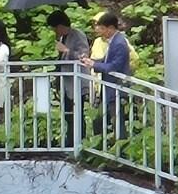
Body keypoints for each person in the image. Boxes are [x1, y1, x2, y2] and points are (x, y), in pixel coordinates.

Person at [82, 11, 132, 137]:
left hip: (117, 88)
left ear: (110, 28)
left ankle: (121, 151)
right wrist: (92, 62)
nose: (99, 31)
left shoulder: (119, 43)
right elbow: (106, 61)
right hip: (109, 88)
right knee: (102, 120)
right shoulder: (113, 41)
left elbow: (114, 66)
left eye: (102, 28)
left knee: (117, 123)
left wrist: (94, 65)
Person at [46, 11, 89, 147]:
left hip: (76, 83)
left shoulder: (77, 35)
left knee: (77, 114)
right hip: (65, 83)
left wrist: (66, 51)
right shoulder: (62, 38)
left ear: (60, 26)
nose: (54, 31)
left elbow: (83, 56)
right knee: (68, 114)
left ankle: (78, 142)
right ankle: (69, 141)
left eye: (55, 28)